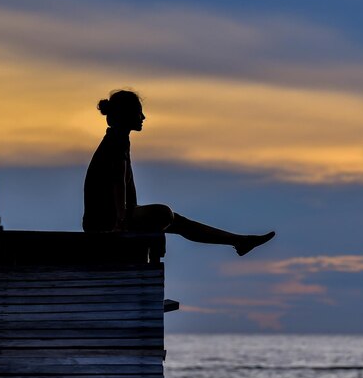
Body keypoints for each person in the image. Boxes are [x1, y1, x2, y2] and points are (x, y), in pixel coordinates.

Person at [82, 89, 275, 256]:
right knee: (164, 214)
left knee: (180, 222)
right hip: (105, 222)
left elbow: (124, 187)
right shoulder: (117, 140)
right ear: (128, 114)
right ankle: (239, 240)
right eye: (139, 113)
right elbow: (118, 182)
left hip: (111, 218)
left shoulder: (118, 139)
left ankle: (238, 240)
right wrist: (121, 223)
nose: (143, 118)